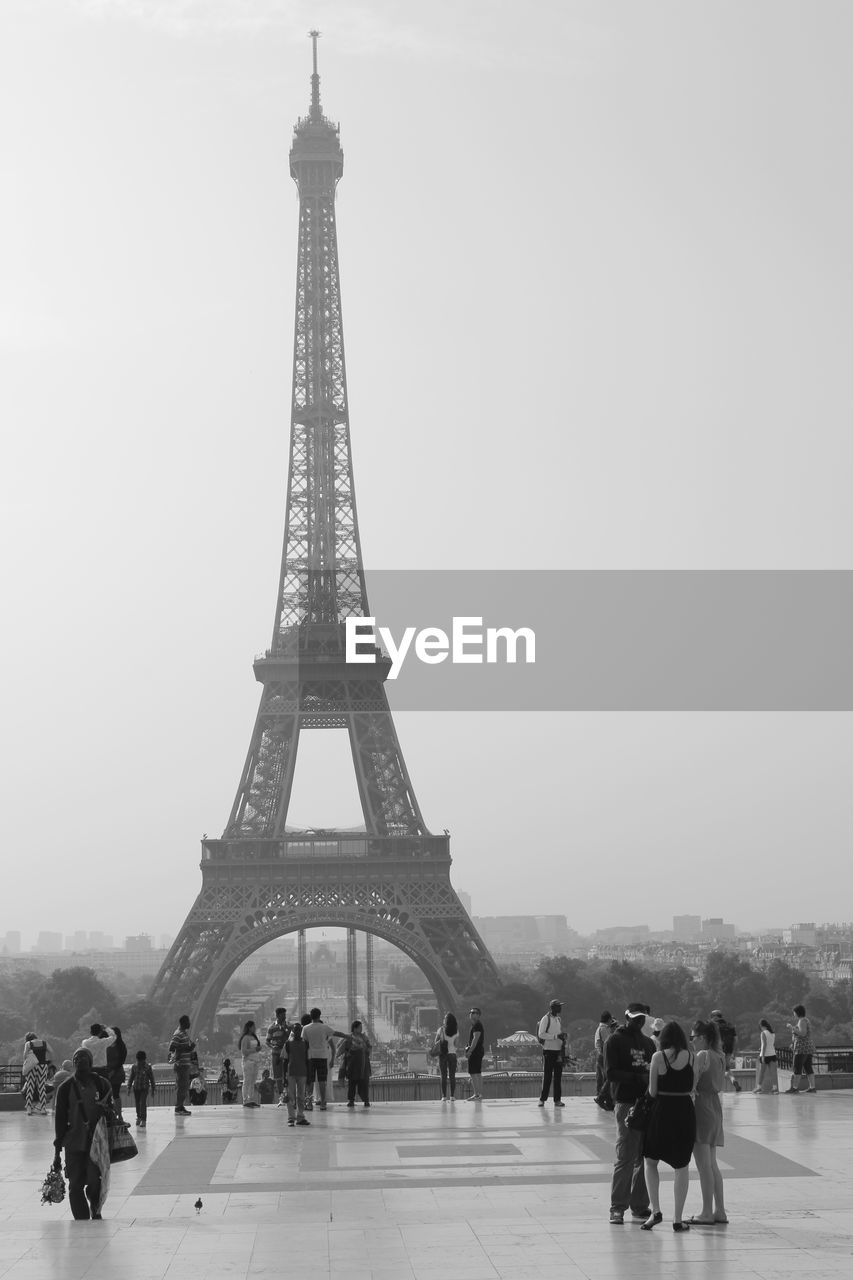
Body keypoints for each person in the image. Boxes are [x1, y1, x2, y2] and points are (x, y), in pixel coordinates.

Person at [641, 1020, 696, 1232]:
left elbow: (652, 1091)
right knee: (681, 1166)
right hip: (684, 1111)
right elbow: (692, 1086)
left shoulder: (658, 1057)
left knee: (651, 1161)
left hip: (661, 1111)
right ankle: (678, 1218)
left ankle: (655, 1211)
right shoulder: (691, 1057)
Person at [605, 1002, 653, 1225]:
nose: (638, 1021)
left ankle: (640, 1205)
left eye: (642, 1018)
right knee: (625, 1156)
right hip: (625, 1103)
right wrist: (636, 1078)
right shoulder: (614, 1040)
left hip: (644, 1103)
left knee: (642, 1157)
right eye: (635, 1018)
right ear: (627, 1017)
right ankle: (617, 1207)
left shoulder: (648, 1043)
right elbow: (611, 1073)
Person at [52, 1047, 112, 1220]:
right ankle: (82, 1220)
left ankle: (95, 1206)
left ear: (91, 1062)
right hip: (73, 1143)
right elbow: (60, 1120)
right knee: (75, 1184)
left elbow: (111, 1112)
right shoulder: (65, 1088)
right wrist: (57, 1151)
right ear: (73, 1063)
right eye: (77, 1058)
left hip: (96, 1143)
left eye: (84, 1057)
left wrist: (106, 1109)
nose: (80, 1060)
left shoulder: (101, 1084)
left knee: (95, 1181)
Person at [689, 1019, 728, 1224]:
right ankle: (719, 1210)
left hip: (701, 1107)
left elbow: (692, 1084)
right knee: (712, 1164)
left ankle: (706, 1212)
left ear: (703, 1037)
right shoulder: (719, 1056)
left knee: (703, 1165)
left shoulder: (702, 1055)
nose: (692, 1041)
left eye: (693, 1037)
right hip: (714, 1106)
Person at [302, 1008, 339, 1111]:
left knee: (310, 1081)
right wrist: (347, 1036)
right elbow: (335, 1034)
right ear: (319, 1015)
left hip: (311, 1057)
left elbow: (304, 1044)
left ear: (311, 1015)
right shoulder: (324, 1027)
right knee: (322, 1081)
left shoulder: (305, 1028)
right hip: (323, 1057)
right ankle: (323, 1102)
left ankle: (309, 1103)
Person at [537, 999, 566, 1108]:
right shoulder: (545, 1018)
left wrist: (562, 1037)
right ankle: (542, 1099)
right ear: (553, 1008)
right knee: (547, 1076)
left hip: (558, 1051)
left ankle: (557, 1100)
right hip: (548, 1051)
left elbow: (558, 1033)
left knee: (558, 1077)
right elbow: (541, 1034)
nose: (560, 1008)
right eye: (558, 1006)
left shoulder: (558, 1019)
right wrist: (555, 1037)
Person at [339, 1020, 372, 1108]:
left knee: (364, 1083)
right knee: (352, 1083)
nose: (361, 1029)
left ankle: (366, 1100)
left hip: (363, 1064)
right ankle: (351, 1100)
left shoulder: (364, 1037)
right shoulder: (348, 1038)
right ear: (355, 1028)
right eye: (359, 1027)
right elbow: (342, 1049)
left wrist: (364, 1048)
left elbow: (369, 1048)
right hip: (352, 1065)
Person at [168, 1014, 196, 1116]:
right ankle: (178, 1107)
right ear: (183, 1023)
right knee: (181, 1087)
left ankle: (180, 1106)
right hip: (181, 1065)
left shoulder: (184, 1033)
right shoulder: (178, 1034)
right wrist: (186, 1048)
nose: (189, 1023)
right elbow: (172, 1047)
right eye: (188, 1022)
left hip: (185, 1064)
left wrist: (190, 1048)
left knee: (184, 1087)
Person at [786, 1004, 817, 1093]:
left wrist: (791, 1028)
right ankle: (812, 1087)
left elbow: (802, 1033)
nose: (793, 1014)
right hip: (807, 1048)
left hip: (801, 1048)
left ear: (797, 1012)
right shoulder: (806, 1020)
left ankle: (794, 1088)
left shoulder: (801, 1021)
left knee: (797, 1067)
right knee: (808, 1067)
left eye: (794, 1012)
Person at [285, 1023, 310, 1126]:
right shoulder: (288, 1044)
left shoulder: (306, 1044)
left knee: (301, 1096)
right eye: (296, 1030)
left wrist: (309, 1075)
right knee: (291, 1096)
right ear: (293, 1031)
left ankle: (300, 1116)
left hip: (302, 1072)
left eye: (299, 1030)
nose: (298, 1032)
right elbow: (285, 1061)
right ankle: (291, 1117)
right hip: (291, 1072)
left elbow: (308, 1060)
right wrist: (284, 1076)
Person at [710, 1010, 741, 1091]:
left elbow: (713, 1039)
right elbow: (736, 1039)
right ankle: (733, 1080)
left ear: (715, 1016)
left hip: (719, 1049)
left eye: (712, 1017)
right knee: (726, 1068)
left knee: (717, 1068)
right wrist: (734, 1050)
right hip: (729, 1049)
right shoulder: (730, 1025)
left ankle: (717, 1088)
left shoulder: (714, 1025)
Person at [22, 1032, 52, 1116]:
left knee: (30, 1087)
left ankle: (28, 1109)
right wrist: (49, 1063)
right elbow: (51, 1052)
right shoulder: (44, 1043)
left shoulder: (28, 1044)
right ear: (36, 1037)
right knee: (41, 1087)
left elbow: (24, 1056)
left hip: (32, 1066)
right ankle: (42, 1109)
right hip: (43, 1066)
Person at [266, 1007, 290, 1107]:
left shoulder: (289, 1026)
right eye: (283, 1015)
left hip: (287, 1054)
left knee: (288, 1076)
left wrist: (286, 1029)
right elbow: (267, 1041)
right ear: (277, 1015)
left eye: (285, 1015)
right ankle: (281, 1098)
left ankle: (288, 1096)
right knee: (278, 1077)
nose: (284, 1017)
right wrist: (272, 1046)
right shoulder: (271, 1028)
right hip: (276, 1054)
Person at [127, 1050, 156, 1128]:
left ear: (144, 1060)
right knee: (137, 1104)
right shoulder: (134, 1067)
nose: (140, 1062)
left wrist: (153, 1089)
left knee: (142, 1103)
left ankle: (143, 1120)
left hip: (144, 1088)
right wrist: (128, 1087)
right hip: (136, 1088)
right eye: (139, 1061)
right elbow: (131, 1078)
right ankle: (139, 1117)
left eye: (142, 1061)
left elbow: (152, 1079)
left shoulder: (148, 1067)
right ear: (137, 1060)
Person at [434, 1012, 459, 1102]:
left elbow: (436, 1042)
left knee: (443, 1076)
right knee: (452, 1076)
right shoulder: (456, 1030)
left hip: (443, 1055)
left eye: (444, 1018)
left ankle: (444, 1096)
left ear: (446, 1020)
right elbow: (456, 1044)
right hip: (452, 1054)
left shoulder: (440, 1030)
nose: (443, 1020)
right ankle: (452, 1096)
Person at [594, 1012, 615, 1106]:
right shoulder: (604, 1029)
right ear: (608, 1019)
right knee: (609, 1077)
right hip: (604, 1056)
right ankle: (603, 1097)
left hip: (600, 1055)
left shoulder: (600, 1029)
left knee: (603, 1078)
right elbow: (609, 1043)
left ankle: (602, 1097)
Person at [239, 1019, 262, 1107]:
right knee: (247, 1081)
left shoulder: (253, 1037)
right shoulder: (245, 1038)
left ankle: (251, 1098)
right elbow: (244, 1051)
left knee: (252, 1081)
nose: (254, 1028)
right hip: (248, 1061)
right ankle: (245, 1100)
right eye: (253, 1027)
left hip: (255, 1061)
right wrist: (254, 1050)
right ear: (249, 1028)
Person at [464, 1007, 485, 1100]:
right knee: (477, 1073)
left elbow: (475, 1039)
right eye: (471, 1012)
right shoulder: (475, 1025)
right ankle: (479, 1094)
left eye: (475, 1012)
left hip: (475, 1052)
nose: (472, 1014)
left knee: (473, 1073)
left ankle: (477, 1094)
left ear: (478, 1015)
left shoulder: (477, 1026)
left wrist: (470, 1051)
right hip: (478, 1051)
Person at [105, 1027, 128, 1116]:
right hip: (108, 1072)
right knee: (109, 1094)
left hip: (117, 1072)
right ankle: (112, 1114)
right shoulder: (106, 1044)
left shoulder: (121, 1046)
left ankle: (119, 1114)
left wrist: (113, 1071)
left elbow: (121, 1060)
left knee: (115, 1094)